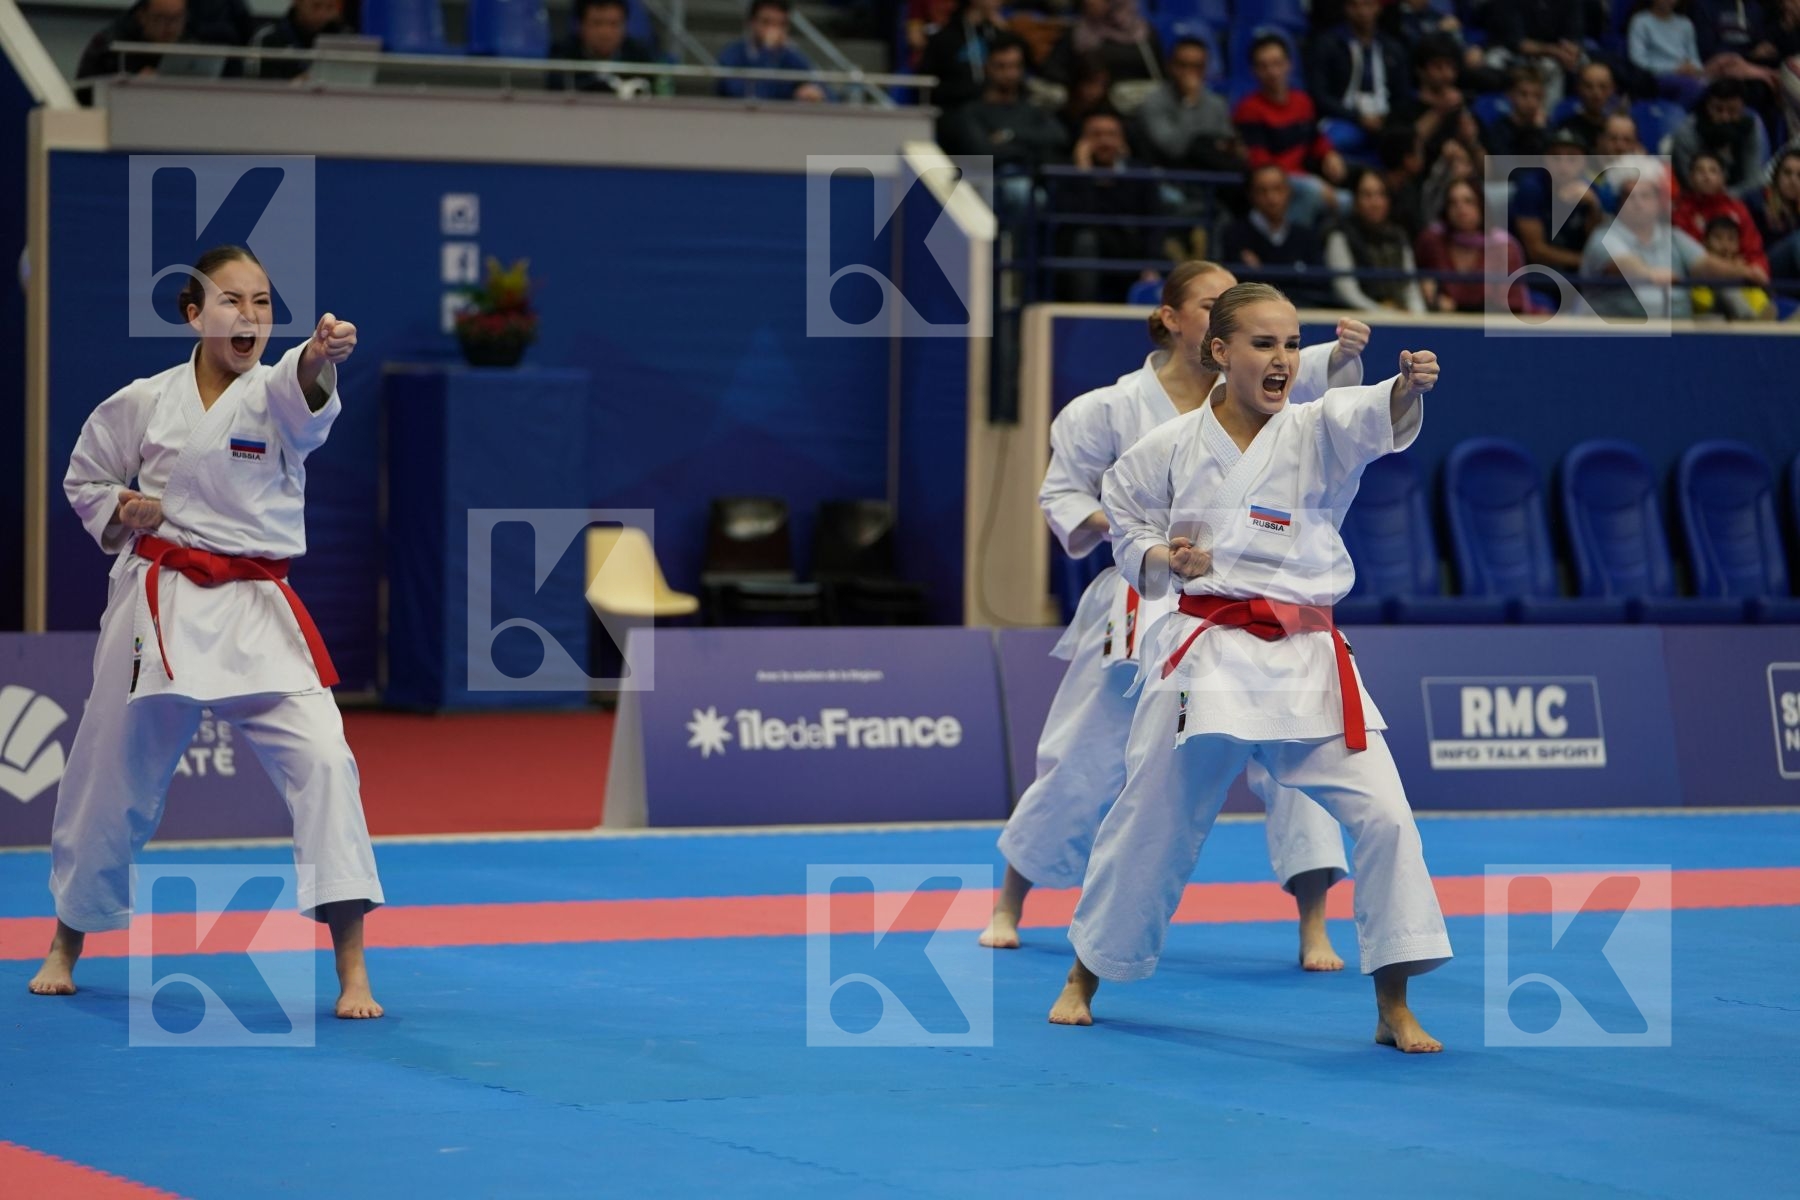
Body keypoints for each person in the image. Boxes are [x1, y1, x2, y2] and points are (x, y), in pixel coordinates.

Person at [1050, 282, 1452, 1051]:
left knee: (1388, 820)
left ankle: (1392, 1004)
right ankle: (1086, 972)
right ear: (1220, 352)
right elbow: (1125, 519)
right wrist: (1162, 556)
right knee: (1149, 821)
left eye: (1293, 345)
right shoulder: (1167, 447)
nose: (1282, 359)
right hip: (1208, 656)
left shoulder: (1316, 427)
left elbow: (1371, 418)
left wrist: (1401, 388)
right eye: (1264, 344)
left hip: (1307, 656)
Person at [28, 246, 385, 1020]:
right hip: (160, 607)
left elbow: (306, 394)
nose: (249, 317)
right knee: (105, 775)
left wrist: (319, 356)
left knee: (326, 761)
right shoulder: (144, 402)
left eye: (261, 303)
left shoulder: (276, 394)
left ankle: (352, 967)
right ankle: (65, 940)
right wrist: (123, 507)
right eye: (231, 301)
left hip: (257, 608)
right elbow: (84, 479)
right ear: (195, 314)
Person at [981, 261, 1367, 966]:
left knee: (1292, 754)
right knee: (1081, 751)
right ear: (1173, 319)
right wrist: (1142, 535)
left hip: (1245, 607)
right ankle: (1011, 898)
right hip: (1142, 598)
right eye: (1212, 305)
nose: (1230, 317)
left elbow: (1315, 378)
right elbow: (1062, 493)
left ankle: (1315, 922)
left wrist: (1344, 355)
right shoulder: (1109, 409)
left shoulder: (1263, 392)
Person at [1581, 163, 1769, 318]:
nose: (1637, 202)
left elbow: (1705, 265)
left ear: (1658, 202)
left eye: (1645, 196)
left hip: (1678, 329)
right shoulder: (1604, 236)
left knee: (1716, 322)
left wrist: (1745, 272)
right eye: (1629, 196)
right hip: (1619, 333)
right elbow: (1622, 264)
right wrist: (1649, 273)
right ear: (1618, 203)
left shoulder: (1675, 236)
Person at [1233, 33, 1349, 227]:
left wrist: (1330, 154)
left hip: (1303, 179)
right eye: (1264, 66)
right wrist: (1314, 183)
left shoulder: (1302, 101)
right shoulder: (1248, 109)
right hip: (1273, 182)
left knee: (1349, 203)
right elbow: (1260, 162)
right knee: (1311, 192)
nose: (1272, 72)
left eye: (1277, 63)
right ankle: (1287, 249)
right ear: (1254, 71)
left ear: (1289, 65)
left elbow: (1315, 139)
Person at [1054, 109, 1164, 302]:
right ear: (1083, 142)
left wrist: (1151, 264)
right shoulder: (1068, 175)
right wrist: (1084, 175)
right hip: (1086, 252)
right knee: (1085, 240)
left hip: (1128, 251)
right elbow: (1078, 219)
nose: (1104, 142)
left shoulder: (1140, 175)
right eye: (1096, 135)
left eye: (1111, 135)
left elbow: (1154, 222)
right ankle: (1083, 314)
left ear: (1122, 141)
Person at [938, 34, 1068, 174]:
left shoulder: (1031, 108)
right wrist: (1030, 150)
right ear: (987, 67)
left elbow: (1059, 137)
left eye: (1015, 66)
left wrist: (1010, 135)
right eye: (1001, 67)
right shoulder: (971, 112)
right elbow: (983, 153)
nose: (1010, 74)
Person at [1220, 164, 1335, 308]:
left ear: (1289, 192)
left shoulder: (1305, 235)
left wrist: (1261, 273)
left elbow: (1319, 282)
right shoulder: (1234, 234)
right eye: (1262, 191)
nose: (1271, 198)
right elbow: (1235, 284)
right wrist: (1295, 274)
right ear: (1251, 195)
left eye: (1277, 189)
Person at [1415, 177, 1535, 315]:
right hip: (1441, 324)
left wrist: (1457, 308)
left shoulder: (1504, 248)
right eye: (1453, 203)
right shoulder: (1431, 242)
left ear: (1481, 206)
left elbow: (1514, 305)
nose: (1460, 208)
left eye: (1468, 201)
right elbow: (1418, 287)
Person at [1307, 0, 1411, 158]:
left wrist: (1386, 119)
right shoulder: (1328, 44)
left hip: (1385, 121)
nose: (1362, 12)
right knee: (1331, 144)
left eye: (1368, 5)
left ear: (1378, 7)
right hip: (1343, 118)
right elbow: (1320, 95)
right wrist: (1357, 117)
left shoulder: (1393, 48)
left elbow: (1402, 96)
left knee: (1409, 143)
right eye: (1355, 5)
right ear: (1346, 8)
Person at [1326, 169, 1428, 312]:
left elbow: (1410, 288)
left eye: (1381, 194)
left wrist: (1419, 317)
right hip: (1359, 321)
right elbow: (1347, 292)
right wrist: (1385, 314)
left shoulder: (1398, 236)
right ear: (1355, 200)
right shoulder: (1340, 235)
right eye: (1367, 195)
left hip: (1399, 316)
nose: (1375, 202)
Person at [1134, 37, 1239, 170]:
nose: (1189, 73)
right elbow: (1174, 150)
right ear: (1170, 66)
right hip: (1172, 175)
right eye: (1183, 65)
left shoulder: (1216, 103)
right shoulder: (1154, 102)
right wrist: (1189, 103)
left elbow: (1226, 145)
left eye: (1197, 67)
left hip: (1212, 176)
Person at [547, 0, 670, 97]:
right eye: (597, 23)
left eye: (614, 24)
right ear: (581, 25)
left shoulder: (642, 58)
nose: (605, 33)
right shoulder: (562, 57)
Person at [715, 0, 826, 102]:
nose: (773, 29)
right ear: (751, 22)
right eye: (766, 22)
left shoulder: (791, 55)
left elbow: (828, 94)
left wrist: (816, 94)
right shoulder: (731, 54)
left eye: (781, 24)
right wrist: (767, 50)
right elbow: (752, 97)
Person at [1669, 78, 1771, 189]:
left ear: (1743, 110)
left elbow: (1752, 180)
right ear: (1707, 107)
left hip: (1737, 197)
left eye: (1732, 110)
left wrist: (1729, 202)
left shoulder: (1750, 127)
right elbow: (1692, 185)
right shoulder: (1687, 134)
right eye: (1718, 109)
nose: (1725, 117)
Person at [918, 0, 1011, 114]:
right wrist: (977, 92)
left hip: (996, 109)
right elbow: (930, 87)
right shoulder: (944, 39)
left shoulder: (997, 34)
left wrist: (1006, 31)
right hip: (956, 109)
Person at [1042, 0, 1161, 88]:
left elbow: (1161, 76)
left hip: (1139, 106)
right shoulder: (1077, 34)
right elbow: (1053, 72)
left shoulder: (1144, 33)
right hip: (1092, 108)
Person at [76, 0, 192, 86]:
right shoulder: (109, 46)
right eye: (161, 18)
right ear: (142, 16)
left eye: (177, 18)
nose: (170, 27)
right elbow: (85, 92)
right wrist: (132, 84)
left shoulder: (191, 45)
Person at [1692, 213, 1777, 317]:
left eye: (1731, 239)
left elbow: (1761, 303)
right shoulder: (1699, 266)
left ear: (1738, 245)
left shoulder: (1743, 272)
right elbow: (1702, 303)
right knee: (1724, 284)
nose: (1725, 245)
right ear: (1705, 242)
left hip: (1745, 321)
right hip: (1709, 319)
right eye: (1718, 238)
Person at [247, 0, 349, 82]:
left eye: (330, 7)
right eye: (316, 6)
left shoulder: (345, 39)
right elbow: (256, 87)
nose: (322, 14)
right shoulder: (268, 38)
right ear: (297, 2)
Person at [1630, 0, 1709, 104]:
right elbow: (1637, 59)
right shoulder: (1640, 21)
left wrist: (1695, 68)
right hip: (1656, 76)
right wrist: (1674, 70)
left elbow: (1694, 57)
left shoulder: (1685, 24)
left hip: (1687, 73)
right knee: (1691, 87)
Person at [1745, 146, 1800, 279]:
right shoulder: (1757, 202)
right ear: (1776, 176)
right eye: (1787, 173)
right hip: (1766, 267)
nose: (1793, 180)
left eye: (1799, 175)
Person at [1556, 62, 1627, 153]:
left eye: (1603, 87)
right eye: (1589, 86)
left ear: (1612, 89)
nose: (1596, 93)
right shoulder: (1566, 129)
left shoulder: (1619, 130)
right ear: (1579, 88)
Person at [1482, 66, 1550, 159]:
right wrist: (1534, 132)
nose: (1530, 101)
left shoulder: (1548, 127)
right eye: (1523, 94)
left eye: (1536, 96)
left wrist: (1540, 131)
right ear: (1510, 95)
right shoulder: (1499, 130)